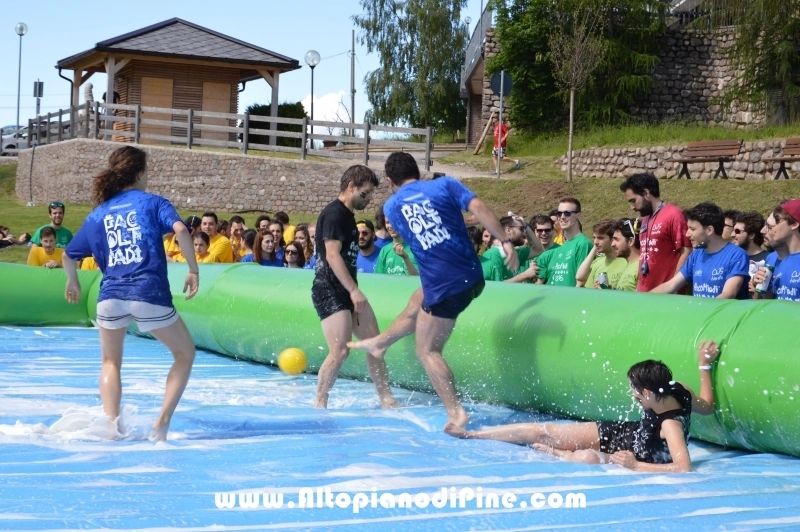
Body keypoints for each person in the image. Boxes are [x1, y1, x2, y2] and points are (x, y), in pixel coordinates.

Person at [349, 152, 518, 430]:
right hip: (472, 276)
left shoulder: (392, 207)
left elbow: (415, 237)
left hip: (444, 286)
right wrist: (504, 241)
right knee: (416, 300)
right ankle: (381, 343)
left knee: (427, 350)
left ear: (390, 181)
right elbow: (478, 206)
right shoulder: (445, 184)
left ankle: (456, 413)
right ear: (417, 172)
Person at [62, 145, 199, 441]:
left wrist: (72, 282)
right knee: (185, 353)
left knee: (110, 362)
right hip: (148, 292)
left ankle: (112, 428)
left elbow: (68, 255)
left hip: (109, 296)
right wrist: (193, 270)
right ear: (138, 174)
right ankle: (161, 423)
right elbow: (181, 230)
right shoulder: (153, 203)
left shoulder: (99, 214)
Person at [445, 340, 721, 473]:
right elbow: (707, 406)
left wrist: (636, 465)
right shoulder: (679, 388)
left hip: (629, 454)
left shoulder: (670, 426)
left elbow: (683, 468)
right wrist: (704, 365)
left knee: (587, 458)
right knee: (546, 431)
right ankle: (474, 435)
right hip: (625, 434)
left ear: (648, 393)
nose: (633, 395)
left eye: (636, 392)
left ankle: (559, 454)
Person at [311, 164, 399, 410]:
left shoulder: (347, 216)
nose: (369, 198)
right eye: (365, 193)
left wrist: (352, 290)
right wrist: (353, 291)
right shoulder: (334, 214)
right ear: (351, 186)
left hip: (346, 289)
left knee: (376, 345)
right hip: (329, 289)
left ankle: (386, 399)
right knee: (340, 351)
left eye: (371, 194)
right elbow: (332, 255)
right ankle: (320, 402)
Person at [652, 202, 749, 299]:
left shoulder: (737, 255)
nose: (687, 234)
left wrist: (704, 309)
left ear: (709, 230)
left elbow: (728, 294)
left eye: (692, 229)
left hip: (719, 309)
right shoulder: (696, 255)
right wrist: (645, 298)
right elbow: (671, 285)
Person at [619, 173, 691, 292]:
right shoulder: (645, 219)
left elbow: (687, 252)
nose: (632, 207)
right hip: (645, 295)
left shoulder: (674, 215)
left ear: (646, 193)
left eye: (633, 200)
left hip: (666, 296)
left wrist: (673, 288)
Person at [535, 197, 593, 286]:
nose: (562, 217)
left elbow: (581, 283)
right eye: (559, 213)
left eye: (567, 213)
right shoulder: (561, 247)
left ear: (578, 215)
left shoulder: (583, 244)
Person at [751, 200, 800, 302]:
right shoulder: (775, 258)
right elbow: (771, 301)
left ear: (794, 224)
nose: (771, 226)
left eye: (777, 220)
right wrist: (760, 288)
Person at [576, 219, 627, 289]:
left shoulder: (626, 262)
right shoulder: (597, 263)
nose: (595, 242)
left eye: (600, 238)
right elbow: (579, 277)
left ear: (613, 239)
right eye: (594, 238)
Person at [610, 219, 641, 291]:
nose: (612, 244)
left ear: (630, 241)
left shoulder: (641, 267)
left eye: (616, 239)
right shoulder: (629, 265)